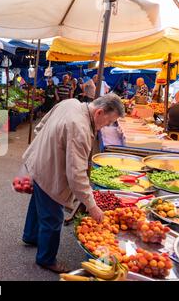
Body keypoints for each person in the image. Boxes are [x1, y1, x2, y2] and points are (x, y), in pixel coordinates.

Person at [21, 93, 124, 273]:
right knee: (53, 218)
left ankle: (30, 236)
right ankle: (46, 259)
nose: (104, 128)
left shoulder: (70, 103)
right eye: (107, 123)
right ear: (99, 112)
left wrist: (48, 146)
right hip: (51, 173)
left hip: (38, 161)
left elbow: (41, 126)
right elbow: (76, 176)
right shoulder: (81, 128)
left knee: (38, 202)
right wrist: (91, 205)